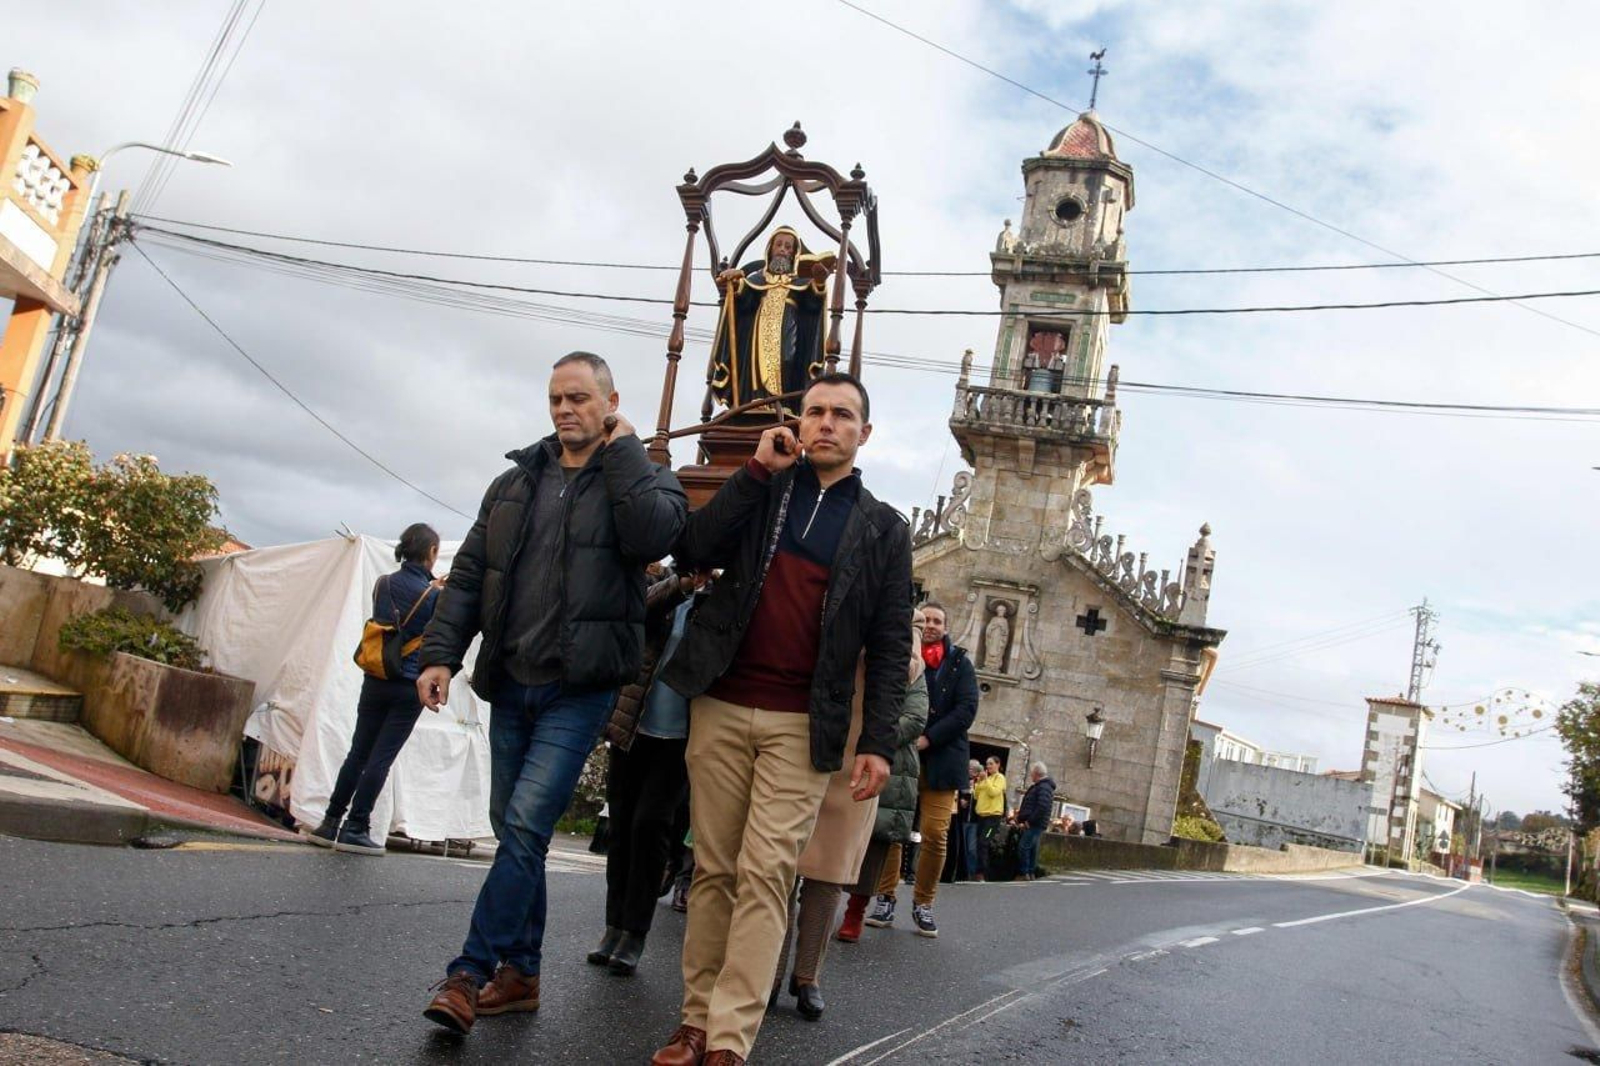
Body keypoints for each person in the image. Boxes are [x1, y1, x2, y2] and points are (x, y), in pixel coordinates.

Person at [416, 352, 687, 1035]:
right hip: (512, 680)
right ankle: (524, 973)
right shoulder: (514, 483)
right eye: (555, 399)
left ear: (610, 402)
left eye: (578, 398)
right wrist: (442, 655)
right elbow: (473, 574)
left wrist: (624, 452)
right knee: (517, 834)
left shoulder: (646, 479)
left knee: (527, 827)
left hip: (581, 689)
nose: (565, 409)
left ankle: (468, 973)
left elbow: (656, 536)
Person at [649, 372, 911, 1066]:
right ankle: (695, 1022)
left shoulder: (884, 528)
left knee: (767, 874)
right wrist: (757, 470)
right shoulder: (764, 489)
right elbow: (696, 549)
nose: (825, 423)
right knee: (714, 871)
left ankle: (730, 1039)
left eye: (841, 415)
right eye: (815, 411)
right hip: (724, 704)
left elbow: (889, 643)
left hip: (804, 724)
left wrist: (877, 742)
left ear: (864, 433)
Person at [775, 609, 930, 1021]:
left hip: (855, 761)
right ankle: (768, 971)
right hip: (802, 742)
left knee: (827, 873)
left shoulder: (901, 614)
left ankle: (807, 976)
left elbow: (909, 671)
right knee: (782, 866)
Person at [589, 568, 705, 976]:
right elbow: (639, 609)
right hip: (632, 725)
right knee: (621, 827)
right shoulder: (667, 584)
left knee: (649, 825)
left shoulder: (720, 601)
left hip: (679, 739)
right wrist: (685, 584)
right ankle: (613, 926)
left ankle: (635, 932)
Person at [302, 523, 443, 856]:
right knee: (382, 758)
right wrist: (438, 592)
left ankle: (330, 822)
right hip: (409, 685)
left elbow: (394, 622)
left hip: (376, 677)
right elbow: (431, 632)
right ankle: (357, 827)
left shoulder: (383, 584)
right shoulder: (435, 597)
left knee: (358, 752)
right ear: (431, 552)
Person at [864, 601, 978, 937]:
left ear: (946, 627)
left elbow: (966, 709)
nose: (930, 625)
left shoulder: (960, 664)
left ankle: (923, 903)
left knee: (935, 834)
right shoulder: (903, 653)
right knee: (893, 829)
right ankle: (885, 898)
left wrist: (929, 737)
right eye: (926, 619)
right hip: (903, 756)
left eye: (937, 621)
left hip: (942, 759)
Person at [709, 226, 832, 413]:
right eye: (779, 245)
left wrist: (820, 283)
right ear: (770, 249)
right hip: (761, 325)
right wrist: (736, 284)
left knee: (787, 359)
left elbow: (813, 306)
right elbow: (745, 300)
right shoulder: (757, 279)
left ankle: (783, 404)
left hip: (789, 325)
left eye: (788, 247)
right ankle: (756, 402)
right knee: (757, 363)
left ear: (794, 253)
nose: (783, 250)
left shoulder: (799, 282)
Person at [1014, 761, 1057, 881]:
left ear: (1036, 773)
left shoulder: (1043, 787)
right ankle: (1030, 873)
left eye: (1031, 773)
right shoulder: (1043, 787)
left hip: (1035, 823)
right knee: (1032, 848)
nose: (1031, 776)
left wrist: (1030, 821)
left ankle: (1024, 873)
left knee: (1024, 847)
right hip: (1037, 823)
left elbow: (1042, 806)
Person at [972, 755, 1008, 881]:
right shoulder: (985, 779)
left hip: (993, 818)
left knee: (984, 841)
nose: (988, 766)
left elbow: (993, 793)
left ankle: (981, 873)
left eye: (991, 764)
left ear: (998, 765)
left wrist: (986, 780)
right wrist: (979, 782)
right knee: (979, 844)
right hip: (982, 816)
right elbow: (976, 795)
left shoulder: (1000, 778)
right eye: (987, 764)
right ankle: (978, 870)